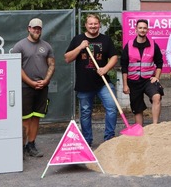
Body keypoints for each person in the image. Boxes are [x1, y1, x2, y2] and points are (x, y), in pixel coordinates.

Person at [64, 14, 119, 146]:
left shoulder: (105, 40)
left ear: (99, 24)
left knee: (112, 107)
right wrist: (80, 47)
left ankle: (109, 137)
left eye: (95, 24)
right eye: (90, 24)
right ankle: (87, 140)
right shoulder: (78, 39)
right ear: (86, 25)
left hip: (102, 82)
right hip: (84, 83)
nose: (93, 26)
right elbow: (67, 58)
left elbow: (114, 57)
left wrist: (105, 68)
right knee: (85, 113)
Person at [10, 17, 55, 158]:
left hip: (42, 88)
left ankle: (31, 145)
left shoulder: (47, 46)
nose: (36, 30)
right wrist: (30, 82)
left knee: (36, 118)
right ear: (28, 28)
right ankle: (21, 147)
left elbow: (52, 64)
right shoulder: (20, 46)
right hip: (25, 88)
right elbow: (16, 67)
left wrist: (46, 80)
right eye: (34, 28)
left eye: (39, 28)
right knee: (25, 119)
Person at [120, 19, 164, 126]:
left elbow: (159, 63)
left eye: (144, 28)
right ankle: (140, 132)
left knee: (157, 96)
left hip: (148, 80)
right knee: (137, 108)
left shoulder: (153, 45)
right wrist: (125, 85)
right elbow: (124, 67)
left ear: (147, 30)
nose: (142, 30)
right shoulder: (129, 45)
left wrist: (157, 77)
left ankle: (154, 126)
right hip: (133, 81)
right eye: (140, 28)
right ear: (136, 30)